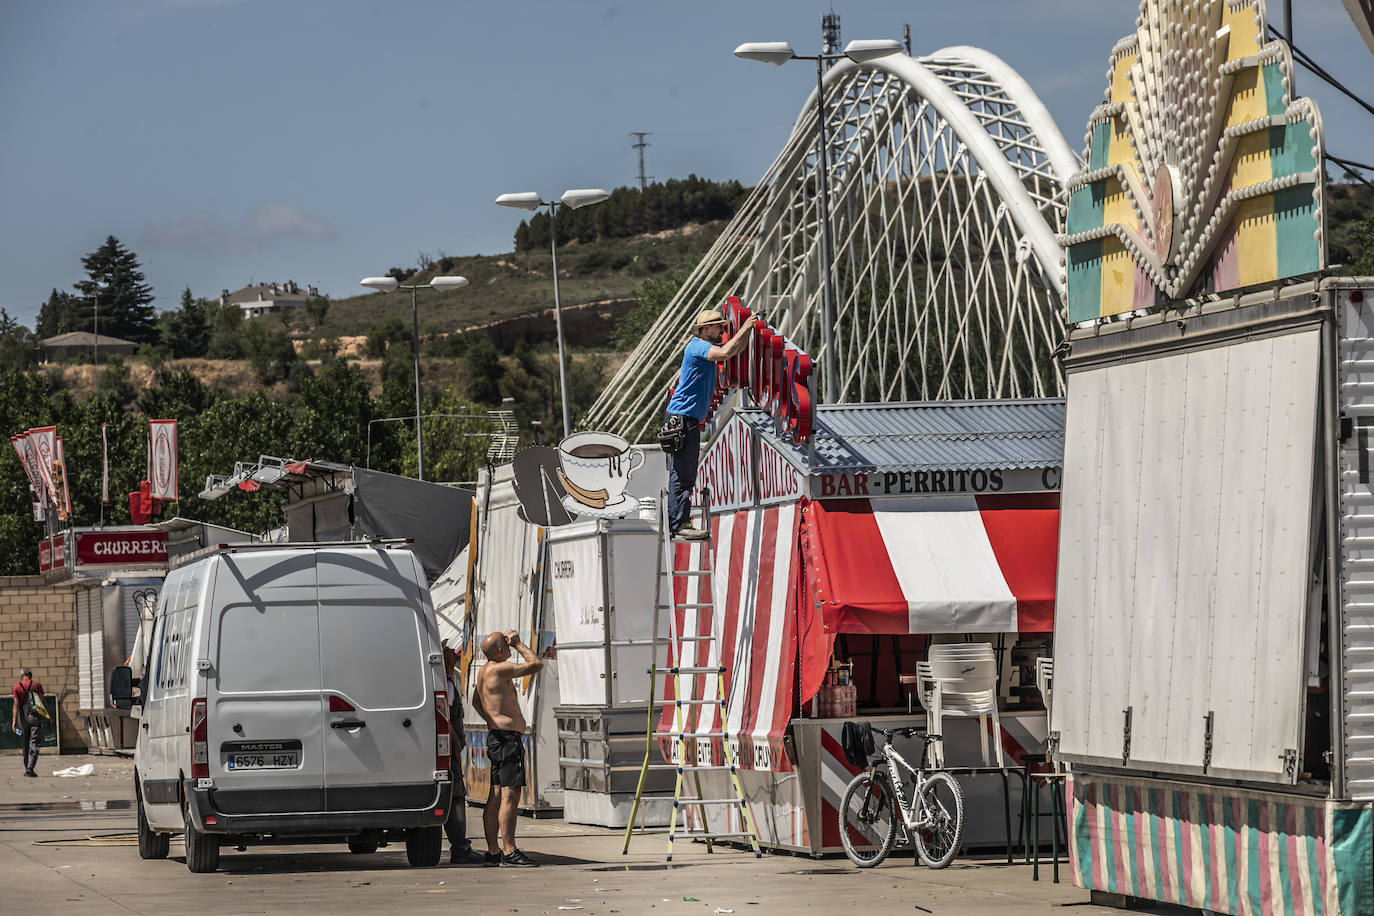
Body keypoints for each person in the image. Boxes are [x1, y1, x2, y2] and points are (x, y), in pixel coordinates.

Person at [663, 307, 758, 539]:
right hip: (683, 418)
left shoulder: (702, 346)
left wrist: (747, 332)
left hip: (686, 417)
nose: (721, 330)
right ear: (704, 329)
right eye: (717, 326)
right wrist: (746, 328)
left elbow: (733, 349)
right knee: (683, 473)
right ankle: (679, 524)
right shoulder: (698, 346)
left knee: (684, 471)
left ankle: (679, 521)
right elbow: (727, 352)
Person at [472, 629, 543, 867]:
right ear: (501, 650)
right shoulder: (500, 668)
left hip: (497, 736)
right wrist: (520, 643)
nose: (510, 647)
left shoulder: (483, 672)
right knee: (509, 795)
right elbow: (535, 664)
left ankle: (493, 852)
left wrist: (492, 719)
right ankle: (509, 850)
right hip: (507, 740)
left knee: (494, 796)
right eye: (507, 644)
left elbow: (475, 701)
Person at [442, 642, 485, 865]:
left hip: (450, 747)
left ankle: (459, 846)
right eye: (448, 650)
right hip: (450, 750)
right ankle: (460, 848)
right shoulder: (447, 683)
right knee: (456, 796)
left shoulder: (447, 680)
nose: (453, 652)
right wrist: (456, 744)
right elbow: (444, 718)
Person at [11, 669, 45, 777]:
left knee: (25, 743)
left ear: (22, 676)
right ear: (31, 676)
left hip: (22, 718)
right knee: (34, 742)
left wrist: (14, 721)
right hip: (35, 717)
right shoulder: (37, 685)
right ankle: (30, 768)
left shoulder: (16, 687)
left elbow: (16, 705)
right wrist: (48, 717)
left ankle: (27, 767)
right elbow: (42, 701)